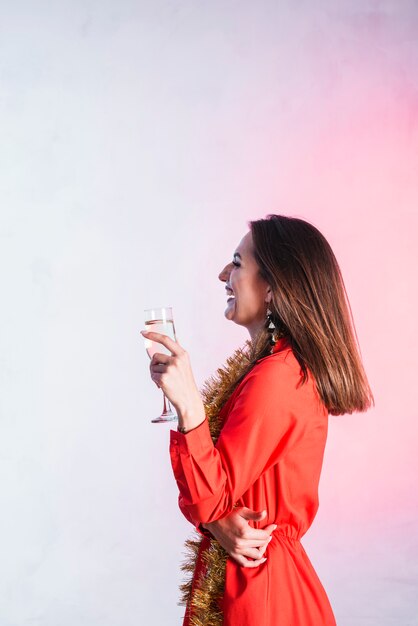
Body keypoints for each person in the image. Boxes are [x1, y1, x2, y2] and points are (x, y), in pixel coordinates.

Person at [141, 214, 374, 626]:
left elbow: (213, 496)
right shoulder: (277, 369)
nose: (223, 274)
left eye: (237, 262)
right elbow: (217, 501)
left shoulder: (279, 377)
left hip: (262, 593)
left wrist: (190, 406)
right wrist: (218, 520)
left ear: (271, 287)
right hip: (256, 579)